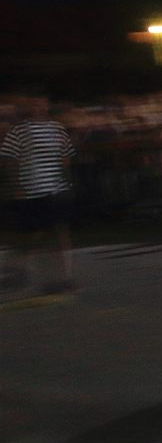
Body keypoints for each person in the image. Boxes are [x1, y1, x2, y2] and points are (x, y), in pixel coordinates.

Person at [0, 94, 76, 295]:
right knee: (32, 233)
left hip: (54, 188)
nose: (38, 107)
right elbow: (10, 159)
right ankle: (21, 270)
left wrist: (66, 181)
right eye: (33, 104)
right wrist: (17, 185)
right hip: (32, 188)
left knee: (60, 231)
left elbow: (65, 156)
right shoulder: (20, 130)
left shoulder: (56, 129)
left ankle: (65, 277)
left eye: (41, 103)